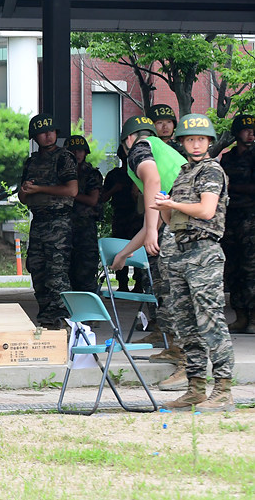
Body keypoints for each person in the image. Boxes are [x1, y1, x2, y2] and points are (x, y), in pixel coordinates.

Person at [154, 114, 235, 412]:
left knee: (211, 321)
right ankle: (196, 388)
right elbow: (171, 220)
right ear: (183, 142)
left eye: (201, 139)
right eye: (190, 139)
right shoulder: (184, 172)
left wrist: (172, 204)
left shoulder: (211, 171)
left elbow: (205, 209)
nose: (196, 144)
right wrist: (165, 206)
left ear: (210, 142)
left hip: (204, 253)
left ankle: (223, 390)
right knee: (186, 324)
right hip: (180, 251)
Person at [112, 114, 189, 391]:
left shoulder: (140, 147)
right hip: (181, 218)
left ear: (127, 140)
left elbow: (153, 182)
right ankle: (174, 348)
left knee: (177, 293)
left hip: (184, 222)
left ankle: (186, 364)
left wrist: (154, 232)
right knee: (166, 288)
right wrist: (124, 253)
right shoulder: (161, 149)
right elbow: (153, 220)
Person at [18, 114, 78, 328]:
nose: (48, 135)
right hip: (39, 221)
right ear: (35, 137)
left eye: (51, 131)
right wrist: (26, 191)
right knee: (38, 270)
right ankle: (46, 318)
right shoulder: (32, 161)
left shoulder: (64, 157)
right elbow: (23, 197)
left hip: (59, 222)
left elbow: (72, 190)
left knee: (57, 273)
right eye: (43, 132)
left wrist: (39, 188)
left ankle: (63, 319)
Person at [219, 113, 255, 334]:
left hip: (251, 219)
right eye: (246, 129)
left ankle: (253, 320)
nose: (251, 133)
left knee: (252, 270)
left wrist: (232, 188)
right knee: (233, 270)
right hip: (230, 219)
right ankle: (240, 317)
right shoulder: (228, 158)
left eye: (253, 130)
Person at [100, 148, 145, 292]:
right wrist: (115, 189)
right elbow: (102, 198)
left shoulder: (140, 174)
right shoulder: (114, 175)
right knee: (119, 249)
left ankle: (139, 284)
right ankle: (122, 283)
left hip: (137, 217)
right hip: (120, 216)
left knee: (138, 249)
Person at [65, 135, 103, 293]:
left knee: (85, 273)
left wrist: (69, 194)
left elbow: (93, 200)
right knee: (67, 273)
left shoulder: (91, 174)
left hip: (85, 229)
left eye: (80, 150)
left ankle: (89, 313)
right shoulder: (63, 173)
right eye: (73, 151)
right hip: (65, 226)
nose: (77, 154)